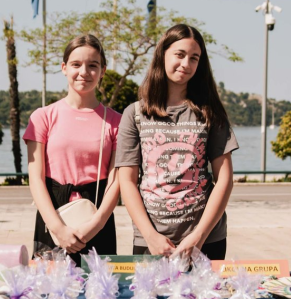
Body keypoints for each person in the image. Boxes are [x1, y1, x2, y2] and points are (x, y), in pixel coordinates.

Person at [116, 24, 238, 260]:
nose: (186, 64)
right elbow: (127, 181)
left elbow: (225, 179)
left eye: (194, 58)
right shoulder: (134, 114)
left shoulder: (210, 113)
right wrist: (150, 236)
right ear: (163, 54)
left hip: (206, 240)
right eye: (180, 55)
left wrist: (199, 236)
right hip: (151, 240)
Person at [23, 35, 122, 256]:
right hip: (52, 215)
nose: (84, 72)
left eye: (93, 65)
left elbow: (116, 182)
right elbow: (36, 178)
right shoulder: (43, 117)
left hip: (98, 214)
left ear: (103, 70)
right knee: (49, 287)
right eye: (76, 64)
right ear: (64, 68)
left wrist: (95, 225)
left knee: (99, 288)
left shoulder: (117, 122)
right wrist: (58, 228)